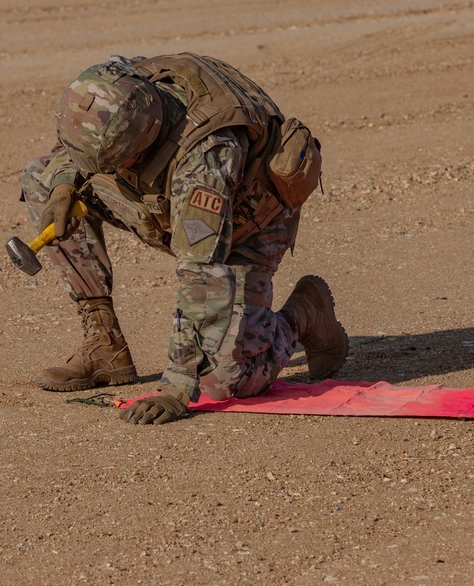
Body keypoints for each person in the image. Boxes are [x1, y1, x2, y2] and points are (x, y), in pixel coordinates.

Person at [20, 52, 348, 425]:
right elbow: (74, 146)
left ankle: (304, 314)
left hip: (248, 225)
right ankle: (105, 344)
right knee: (42, 178)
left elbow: (201, 273)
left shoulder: (206, 160)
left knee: (225, 381)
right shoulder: (125, 86)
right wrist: (64, 187)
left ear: (135, 148)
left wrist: (177, 385)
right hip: (170, 204)